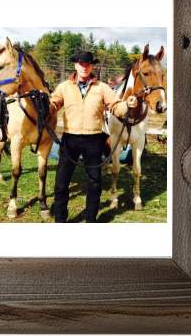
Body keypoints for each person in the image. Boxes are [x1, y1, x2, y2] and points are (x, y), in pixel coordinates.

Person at [49, 51, 138, 223]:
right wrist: (46, 104)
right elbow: (53, 104)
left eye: (88, 64)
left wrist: (127, 105)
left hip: (93, 140)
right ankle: (60, 221)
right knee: (61, 182)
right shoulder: (64, 87)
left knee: (95, 183)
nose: (84, 67)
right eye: (81, 64)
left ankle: (91, 220)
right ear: (75, 65)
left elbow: (115, 106)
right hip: (69, 140)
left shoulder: (102, 88)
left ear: (92, 67)